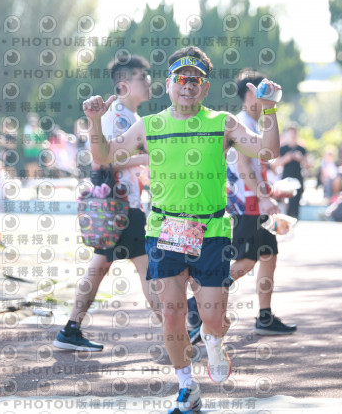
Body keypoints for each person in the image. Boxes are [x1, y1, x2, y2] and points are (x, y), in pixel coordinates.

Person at [84, 46, 281, 413]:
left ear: (205, 87)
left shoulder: (222, 122)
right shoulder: (150, 125)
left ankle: (213, 338)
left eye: (196, 80)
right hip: (165, 229)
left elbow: (267, 152)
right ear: (169, 84)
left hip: (212, 232)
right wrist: (95, 122)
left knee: (213, 319)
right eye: (181, 78)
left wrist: (269, 110)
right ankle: (187, 387)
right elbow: (104, 156)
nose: (188, 85)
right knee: (172, 313)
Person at [53, 54, 161, 352]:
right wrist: (147, 158)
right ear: (124, 84)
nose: (149, 82)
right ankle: (178, 330)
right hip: (121, 205)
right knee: (147, 268)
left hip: (121, 204)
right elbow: (103, 160)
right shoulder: (115, 116)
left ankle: (71, 328)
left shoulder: (132, 118)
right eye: (142, 77)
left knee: (100, 267)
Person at [186, 70, 295, 346]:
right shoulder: (239, 124)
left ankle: (265, 316)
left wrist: (270, 192)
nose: (269, 97)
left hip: (256, 202)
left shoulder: (255, 124)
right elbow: (243, 166)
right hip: (246, 205)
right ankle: (196, 303)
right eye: (263, 92)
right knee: (246, 260)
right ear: (249, 94)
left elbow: (257, 165)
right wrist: (263, 197)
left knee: (268, 255)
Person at [275, 124, 306, 218]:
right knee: (287, 202)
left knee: (296, 201)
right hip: (286, 177)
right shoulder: (282, 149)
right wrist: (286, 158)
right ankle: (288, 218)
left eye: (294, 133)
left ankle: (295, 218)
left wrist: (300, 158)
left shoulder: (301, 149)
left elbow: (308, 164)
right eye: (290, 133)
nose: (292, 135)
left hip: (298, 177)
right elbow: (275, 163)